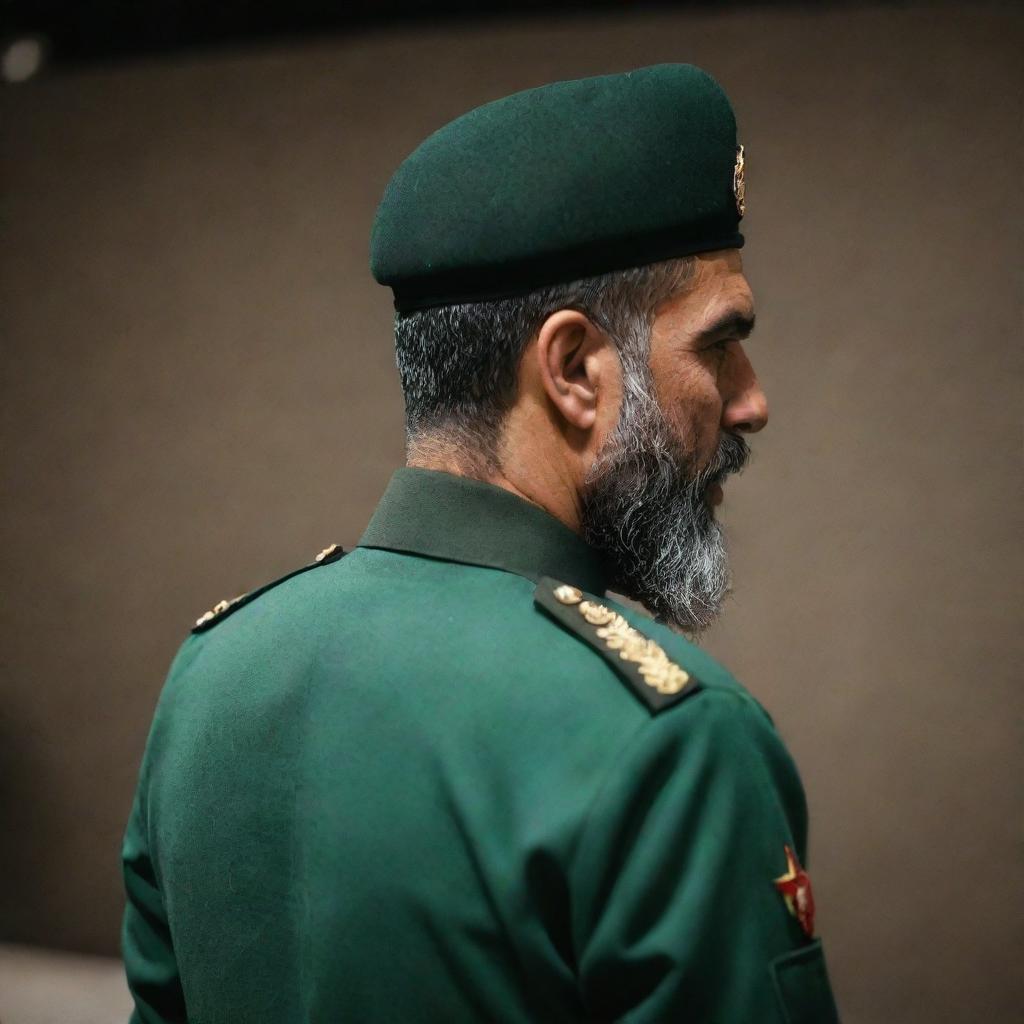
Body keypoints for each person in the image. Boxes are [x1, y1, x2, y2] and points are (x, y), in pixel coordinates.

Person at [122, 64, 841, 1022]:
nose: (751, 400)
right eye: (718, 345)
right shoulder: (667, 742)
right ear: (577, 370)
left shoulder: (212, 677)